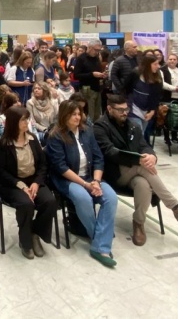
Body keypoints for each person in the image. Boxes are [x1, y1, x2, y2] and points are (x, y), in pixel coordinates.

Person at [94, 95, 178, 246]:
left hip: (134, 174)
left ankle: (138, 223)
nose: (124, 113)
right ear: (109, 109)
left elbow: (144, 145)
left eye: (126, 109)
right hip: (113, 175)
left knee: (143, 184)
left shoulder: (132, 125)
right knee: (142, 166)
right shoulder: (100, 126)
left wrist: (151, 156)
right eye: (120, 110)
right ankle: (177, 208)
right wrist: (139, 160)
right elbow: (109, 152)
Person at [44, 100, 117, 267]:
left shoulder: (87, 132)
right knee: (83, 198)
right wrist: (86, 185)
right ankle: (101, 243)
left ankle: (98, 242)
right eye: (73, 114)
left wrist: (96, 181)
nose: (78, 117)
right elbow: (61, 168)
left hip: (91, 177)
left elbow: (98, 158)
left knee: (111, 197)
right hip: (67, 180)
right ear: (64, 116)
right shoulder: (55, 136)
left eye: (79, 114)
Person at [0, 105, 56, 259]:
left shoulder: (33, 139)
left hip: (33, 180)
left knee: (50, 201)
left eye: (27, 119)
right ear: (14, 122)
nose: (27, 122)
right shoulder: (4, 143)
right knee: (26, 204)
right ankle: (25, 241)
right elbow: (0, 172)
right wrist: (21, 186)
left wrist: (36, 183)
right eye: (23, 120)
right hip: (13, 184)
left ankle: (35, 232)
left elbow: (42, 165)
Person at [126, 53, 164, 141]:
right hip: (133, 108)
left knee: (142, 135)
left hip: (147, 110)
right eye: (155, 64)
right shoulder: (135, 74)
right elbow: (126, 89)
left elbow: (156, 96)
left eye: (158, 64)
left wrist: (152, 111)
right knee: (138, 134)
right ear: (147, 65)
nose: (158, 66)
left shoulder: (157, 77)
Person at [73, 40, 106, 122]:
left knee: (97, 114)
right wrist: (92, 74)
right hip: (87, 90)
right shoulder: (81, 58)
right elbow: (76, 75)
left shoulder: (96, 58)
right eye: (96, 50)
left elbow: (97, 71)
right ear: (90, 48)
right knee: (89, 114)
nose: (97, 52)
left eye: (99, 50)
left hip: (97, 89)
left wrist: (102, 75)